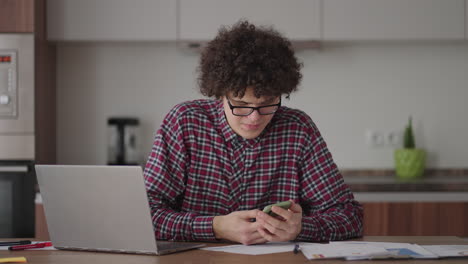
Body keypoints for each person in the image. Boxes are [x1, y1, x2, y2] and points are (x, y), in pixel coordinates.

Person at [144, 20, 363, 245]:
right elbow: (143, 215)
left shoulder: (298, 129)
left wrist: (300, 228)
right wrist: (215, 226)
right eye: (241, 104)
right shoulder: (185, 123)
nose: (254, 118)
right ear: (220, 94)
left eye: (267, 103)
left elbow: (349, 216)